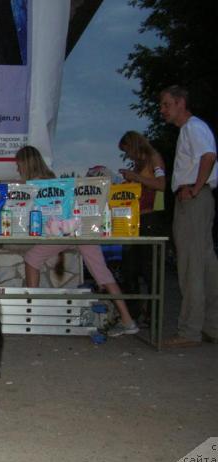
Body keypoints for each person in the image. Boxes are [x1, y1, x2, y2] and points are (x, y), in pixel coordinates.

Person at [16, 146, 138, 337]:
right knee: (102, 273)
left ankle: (32, 310)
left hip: (63, 231)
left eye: (18, 165)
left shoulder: (34, 186)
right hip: (83, 228)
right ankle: (127, 319)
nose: (17, 169)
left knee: (32, 258)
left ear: (25, 164)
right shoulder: (53, 178)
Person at [159, 85, 218, 347]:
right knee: (205, 265)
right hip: (199, 198)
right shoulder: (192, 129)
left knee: (190, 266)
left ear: (181, 103)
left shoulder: (193, 128)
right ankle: (211, 326)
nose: (163, 110)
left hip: (194, 199)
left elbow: (209, 156)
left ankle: (189, 331)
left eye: (166, 104)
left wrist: (194, 188)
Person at [117, 131, 167, 319]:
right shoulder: (138, 165)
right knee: (128, 268)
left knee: (150, 270)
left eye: (127, 150)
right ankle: (133, 314)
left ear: (134, 145)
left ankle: (154, 315)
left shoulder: (154, 158)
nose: (127, 155)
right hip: (133, 221)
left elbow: (161, 185)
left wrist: (136, 178)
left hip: (150, 219)